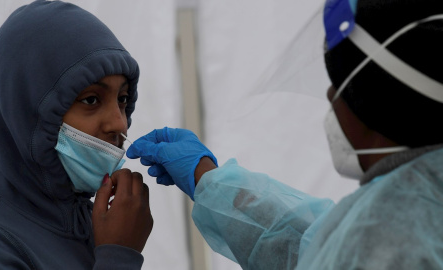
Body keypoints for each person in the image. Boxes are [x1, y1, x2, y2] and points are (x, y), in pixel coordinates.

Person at [126, 0, 443, 269]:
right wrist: (206, 179)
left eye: (339, 87)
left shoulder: (392, 240)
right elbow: (308, 245)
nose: (330, 96)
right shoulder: (413, 213)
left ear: (373, 106)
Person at [0, 1, 152, 269]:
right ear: (24, 112)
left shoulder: (96, 227)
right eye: (90, 100)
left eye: (122, 99)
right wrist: (118, 257)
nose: (119, 123)